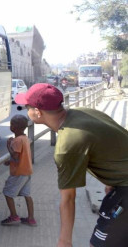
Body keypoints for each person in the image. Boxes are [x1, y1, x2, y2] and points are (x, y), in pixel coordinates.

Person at [14, 83, 128, 247]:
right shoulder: (84, 112)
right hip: (121, 187)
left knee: (100, 241)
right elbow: (114, 140)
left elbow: (68, 199)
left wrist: (64, 241)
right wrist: (111, 181)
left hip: (125, 194)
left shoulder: (67, 145)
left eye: (27, 107)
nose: (26, 111)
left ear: (38, 112)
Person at [0, 114, 37, 227]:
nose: (10, 126)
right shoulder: (25, 138)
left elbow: (15, 156)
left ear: (14, 127)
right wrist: (10, 162)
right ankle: (31, 219)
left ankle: (14, 216)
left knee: (7, 193)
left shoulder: (17, 141)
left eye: (11, 124)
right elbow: (21, 157)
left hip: (18, 173)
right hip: (27, 171)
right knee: (27, 194)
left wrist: (8, 146)